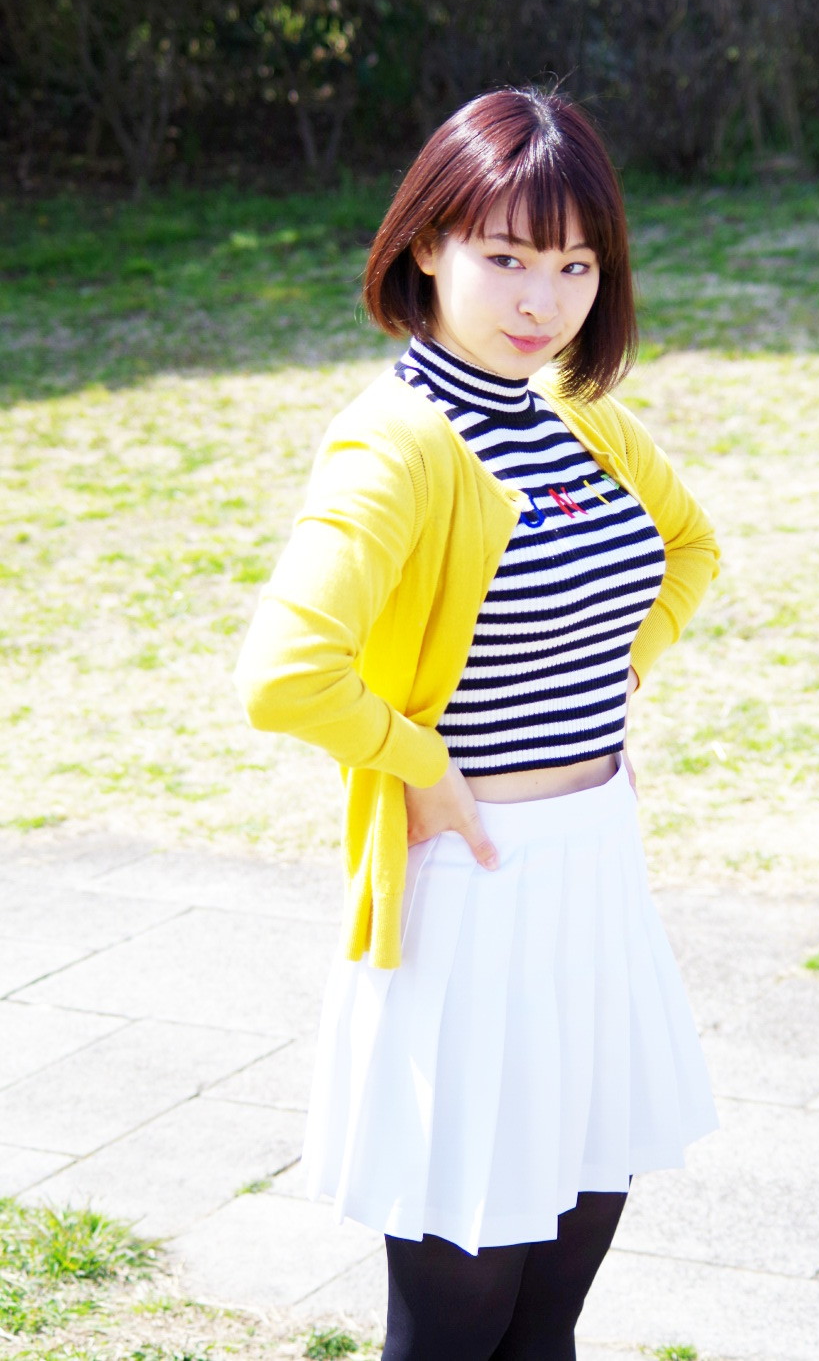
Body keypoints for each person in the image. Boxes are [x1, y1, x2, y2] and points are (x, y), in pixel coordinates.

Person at [233, 86, 720, 1361]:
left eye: (574, 265)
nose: (540, 300)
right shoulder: (396, 442)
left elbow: (689, 550)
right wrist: (420, 763)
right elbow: (284, 672)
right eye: (505, 257)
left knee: (549, 1316)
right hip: (473, 894)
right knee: (457, 1325)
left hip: (594, 880)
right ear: (424, 246)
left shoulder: (583, 419)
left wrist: (603, 680)